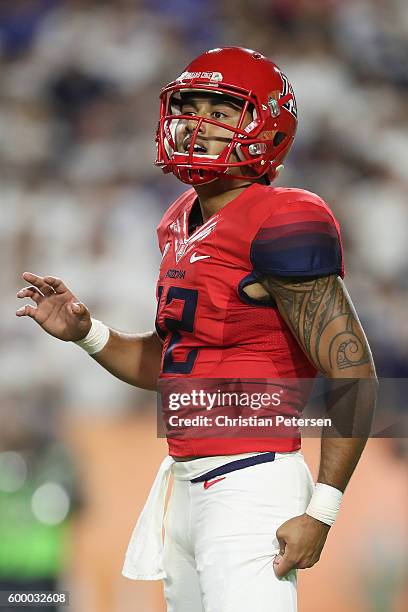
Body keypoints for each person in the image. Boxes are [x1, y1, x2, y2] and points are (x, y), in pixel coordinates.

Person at [16, 47, 377, 612]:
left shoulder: (282, 217)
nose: (198, 123)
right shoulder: (180, 219)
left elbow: (351, 368)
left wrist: (322, 510)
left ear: (267, 126)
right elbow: (171, 365)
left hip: (251, 478)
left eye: (222, 110)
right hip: (185, 482)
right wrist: (88, 334)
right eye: (191, 105)